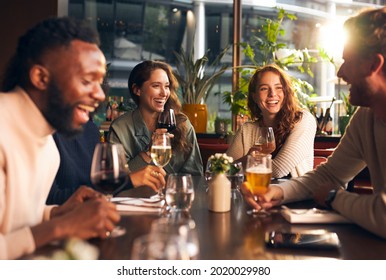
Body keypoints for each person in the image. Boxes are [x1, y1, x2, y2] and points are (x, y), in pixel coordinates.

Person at [241, 7, 386, 239]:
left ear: (374, 65)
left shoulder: (306, 120)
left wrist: (333, 197)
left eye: (348, 60)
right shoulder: (365, 118)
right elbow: (328, 175)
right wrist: (276, 191)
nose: (341, 72)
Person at [0, 17, 121, 260]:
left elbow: (13, 220)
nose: (99, 94)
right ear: (41, 78)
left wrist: (56, 213)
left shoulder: (48, 147)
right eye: (87, 80)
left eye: (99, 82)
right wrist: (59, 227)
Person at [107, 60, 203, 177]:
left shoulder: (183, 124)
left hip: (174, 193)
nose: (164, 93)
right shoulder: (120, 128)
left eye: (167, 86)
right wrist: (149, 152)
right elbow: (117, 178)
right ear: (137, 90)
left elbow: (195, 176)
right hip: (135, 195)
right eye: (156, 86)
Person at [226, 64, 316, 178]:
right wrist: (247, 158)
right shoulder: (247, 129)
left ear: (285, 92)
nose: (272, 94)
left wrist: (250, 162)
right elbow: (223, 169)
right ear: (254, 96)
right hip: (254, 192)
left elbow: (279, 170)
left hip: (293, 195)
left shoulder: (304, 120)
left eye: (278, 87)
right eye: (264, 88)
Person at [46, 119, 166, 205]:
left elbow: (101, 183)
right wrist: (127, 181)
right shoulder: (46, 132)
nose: (100, 95)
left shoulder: (90, 129)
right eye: (85, 83)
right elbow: (50, 200)